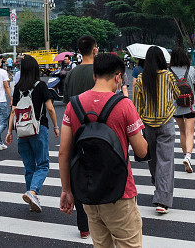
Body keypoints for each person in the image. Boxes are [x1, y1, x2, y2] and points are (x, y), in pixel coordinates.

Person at [59, 52, 148, 247]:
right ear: (118, 76)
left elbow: (64, 152)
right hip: (120, 193)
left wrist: (66, 190)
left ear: (94, 75)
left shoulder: (73, 105)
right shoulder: (124, 105)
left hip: (89, 194)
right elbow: (142, 151)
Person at [4, 55, 59, 212]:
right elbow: (50, 108)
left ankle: (31, 198)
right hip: (37, 128)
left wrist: (9, 131)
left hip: (21, 131)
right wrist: (55, 126)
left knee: (29, 167)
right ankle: (33, 192)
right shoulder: (41, 86)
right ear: (35, 69)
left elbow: (13, 111)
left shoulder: (17, 87)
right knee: (42, 164)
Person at [132, 46, 178, 214]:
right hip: (166, 123)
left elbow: (137, 107)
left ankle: (159, 184)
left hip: (148, 125)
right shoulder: (168, 76)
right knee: (166, 160)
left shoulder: (141, 79)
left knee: (152, 159)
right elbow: (176, 94)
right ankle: (162, 200)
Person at [168, 47, 195, 173]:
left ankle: (185, 157)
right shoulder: (191, 69)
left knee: (182, 132)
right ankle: (188, 156)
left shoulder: (168, 71)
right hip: (190, 106)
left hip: (176, 106)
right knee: (190, 132)